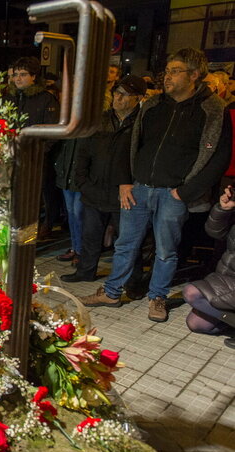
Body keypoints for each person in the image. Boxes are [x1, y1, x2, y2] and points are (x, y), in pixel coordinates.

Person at [80, 48, 232, 323]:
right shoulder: (153, 105)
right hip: (139, 188)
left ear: (194, 75)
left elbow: (219, 157)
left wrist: (184, 192)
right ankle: (112, 292)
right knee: (125, 244)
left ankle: (157, 297)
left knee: (165, 251)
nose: (167, 77)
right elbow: (132, 143)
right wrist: (126, 181)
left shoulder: (212, 109)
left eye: (175, 71)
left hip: (173, 194)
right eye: (167, 71)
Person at [61, 75, 146, 282]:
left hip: (124, 193)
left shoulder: (142, 123)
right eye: (116, 93)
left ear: (138, 98)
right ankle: (85, 272)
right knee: (90, 236)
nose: (118, 98)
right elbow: (83, 152)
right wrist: (82, 181)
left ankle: (132, 279)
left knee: (127, 240)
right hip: (95, 188)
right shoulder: (102, 120)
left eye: (125, 94)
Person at [8, 57, 61, 239]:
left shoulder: (46, 99)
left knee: (32, 202)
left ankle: (28, 241)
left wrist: (38, 152)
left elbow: (53, 132)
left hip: (36, 161)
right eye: (16, 74)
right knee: (13, 200)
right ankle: (13, 238)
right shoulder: (10, 98)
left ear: (33, 77)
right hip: (12, 158)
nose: (18, 78)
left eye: (23, 74)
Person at [182, 186, 235, 346]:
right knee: (196, 324)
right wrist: (223, 210)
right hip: (228, 276)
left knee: (192, 292)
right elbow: (215, 232)